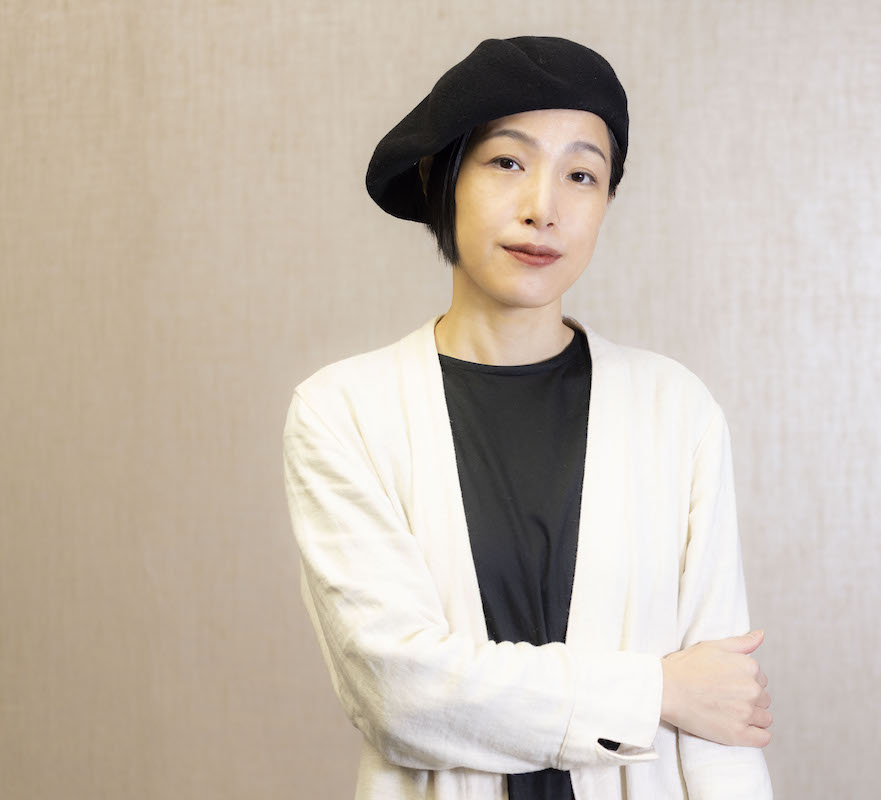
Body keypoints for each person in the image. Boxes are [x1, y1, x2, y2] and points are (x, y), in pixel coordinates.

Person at [282, 35, 773, 800]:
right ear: (441, 177)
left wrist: (688, 695)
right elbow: (399, 695)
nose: (544, 208)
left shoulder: (676, 411)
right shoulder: (345, 413)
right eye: (507, 162)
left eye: (582, 175)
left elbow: (720, 711)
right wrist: (658, 691)